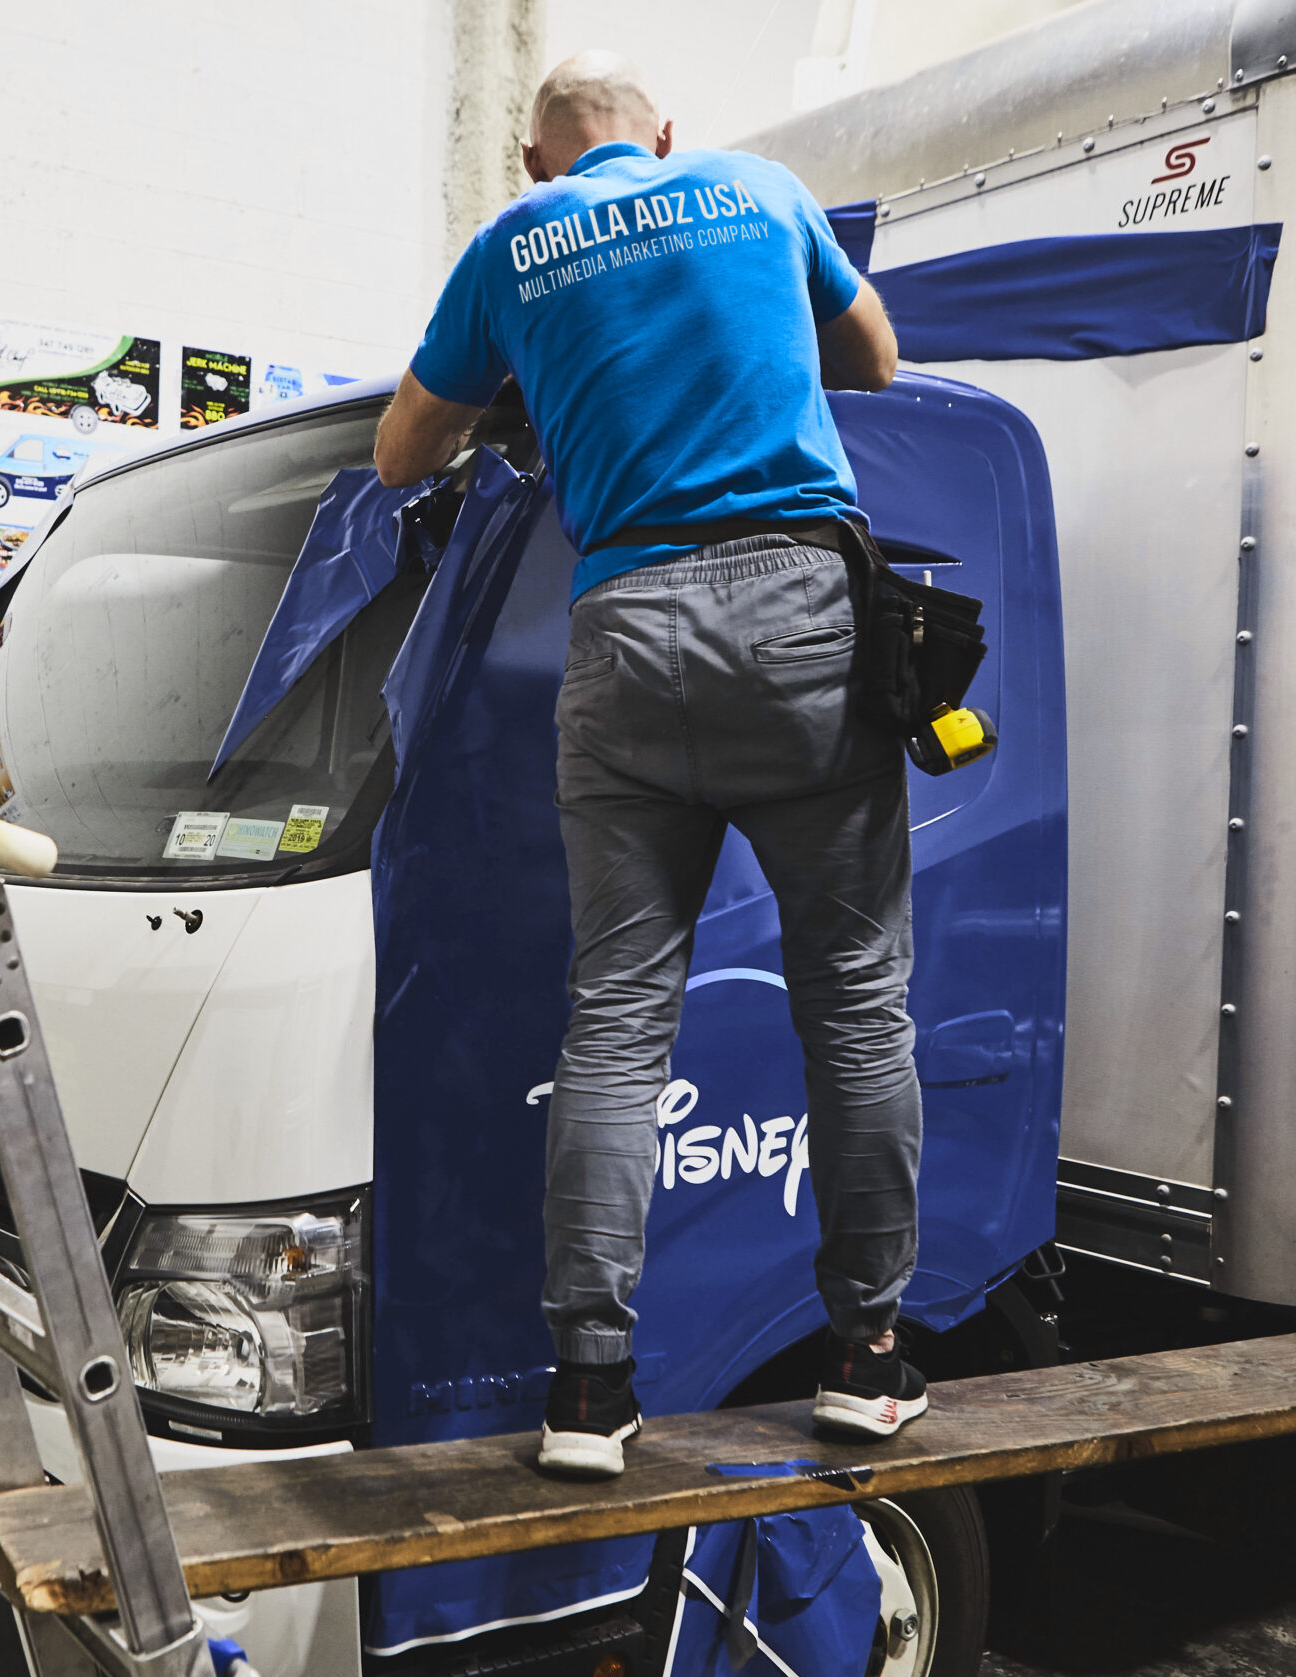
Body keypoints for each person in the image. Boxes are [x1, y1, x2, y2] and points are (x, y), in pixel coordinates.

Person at [374, 51, 924, 1480]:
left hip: (622, 634)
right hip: (801, 610)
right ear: (667, 133)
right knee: (856, 1007)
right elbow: (878, 357)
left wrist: (521, 382)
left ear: (540, 164)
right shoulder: (757, 188)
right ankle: (867, 1360)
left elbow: (397, 454)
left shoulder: (511, 247)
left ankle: (589, 1392)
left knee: (616, 1018)